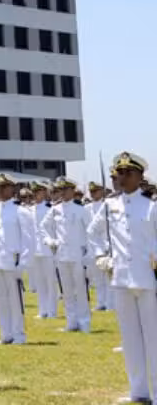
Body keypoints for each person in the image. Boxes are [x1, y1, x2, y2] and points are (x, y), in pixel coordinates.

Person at [88, 152, 157, 404]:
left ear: (140, 176)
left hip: (148, 280)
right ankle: (138, 391)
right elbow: (93, 232)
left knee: (154, 339)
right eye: (120, 173)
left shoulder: (151, 205)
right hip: (121, 279)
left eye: (129, 173)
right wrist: (101, 257)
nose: (123, 178)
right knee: (130, 339)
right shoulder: (109, 205)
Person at [39, 176, 92, 333]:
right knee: (67, 290)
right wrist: (50, 240)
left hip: (78, 254)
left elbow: (90, 232)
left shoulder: (81, 210)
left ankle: (84, 322)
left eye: (65, 190)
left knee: (81, 290)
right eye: (59, 190)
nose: (61, 193)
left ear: (72, 191)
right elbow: (43, 227)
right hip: (62, 254)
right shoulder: (55, 209)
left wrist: (88, 253)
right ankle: (71, 321)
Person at [0, 173, 31, 345]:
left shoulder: (21, 211)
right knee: (1, 300)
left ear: (12, 188)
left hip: (13, 261)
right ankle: (6, 334)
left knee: (15, 301)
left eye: (4, 187)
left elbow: (29, 240)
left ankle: (19, 335)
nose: (0, 190)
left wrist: (23, 263)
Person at [27, 181, 58, 319]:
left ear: (45, 192)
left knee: (50, 282)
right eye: (34, 192)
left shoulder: (50, 208)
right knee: (39, 282)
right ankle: (43, 310)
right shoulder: (30, 209)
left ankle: (52, 311)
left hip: (48, 250)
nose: (36, 194)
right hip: (35, 250)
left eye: (38, 191)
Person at [86, 182, 113, 311]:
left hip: (106, 244)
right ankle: (100, 302)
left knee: (108, 276)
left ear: (102, 191)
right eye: (91, 192)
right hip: (92, 246)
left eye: (95, 191)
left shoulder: (107, 205)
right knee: (97, 278)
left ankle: (109, 303)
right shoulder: (87, 208)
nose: (93, 194)